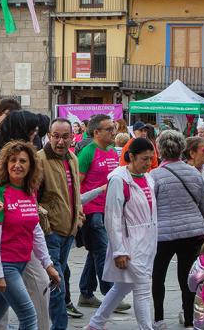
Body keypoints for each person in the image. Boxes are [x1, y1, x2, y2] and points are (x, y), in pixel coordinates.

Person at [0, 140, 60, 330]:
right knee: (28, 315)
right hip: (6, 266)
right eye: (13, 160)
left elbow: (36, 231)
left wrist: (48, 265)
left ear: (31, 165)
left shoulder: (28, 191)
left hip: (21, 262)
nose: (17, 165)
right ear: (5, 164)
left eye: (23, 161)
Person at [81, 136, 155, 330]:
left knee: (123, 287)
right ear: (131, 156)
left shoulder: (148, 178)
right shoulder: (118, 179)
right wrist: (118, 250)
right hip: (130, 244)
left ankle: (95, 325)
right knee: (142, 289)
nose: (148, 163)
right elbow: (112, 217)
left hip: (146, 243)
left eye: (150, 158)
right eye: (144, 159)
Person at [149, 130, 204, 328]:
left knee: (158, 276)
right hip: (193, 233)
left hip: (163, 235)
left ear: (159, 150)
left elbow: (150, 208)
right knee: (188, 278)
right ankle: (189, 319)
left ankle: (159, 319)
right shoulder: (194, 173)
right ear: (182, 149)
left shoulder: (154, 176)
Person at [36, 119, 85, 330]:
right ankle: (59, 326)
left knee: (58, 278)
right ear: (48, 135)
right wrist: (44, 221)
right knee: (58, 283)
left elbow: (75, 193)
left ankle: (42, 322)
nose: (60, 141)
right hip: (51, 232)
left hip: (70, 230)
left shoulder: (73, 158)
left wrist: (79, 216)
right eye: (56, 136)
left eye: (65, 136)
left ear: (72, 138)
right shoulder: (39, 160)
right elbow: (32, 198)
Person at [76, 114, 119, 309]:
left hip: (107, 209)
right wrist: (78, 210)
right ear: (96, 132)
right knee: (103, 252)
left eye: (113, 128)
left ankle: (85, 293)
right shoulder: (87, 152)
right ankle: (111, 296)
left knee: (95, 251)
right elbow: (76, 183)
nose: (113, 132)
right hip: (92, 211)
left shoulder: (111, 151)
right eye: (109, 129)